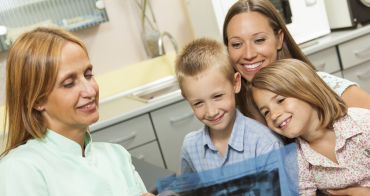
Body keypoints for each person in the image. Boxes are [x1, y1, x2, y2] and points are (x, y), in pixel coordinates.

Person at [0, 27, 152, 196]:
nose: (90, 91)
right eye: (69, 83)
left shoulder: (117, 155)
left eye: (88, 75)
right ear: (36, 100)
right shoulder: (20, 170)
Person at [223, 0, 370, 123]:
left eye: (259, 40)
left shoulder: (325, 88)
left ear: (279, 39)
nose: (248, 54)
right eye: (236, 44)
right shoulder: (232, 110)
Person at [250, 59, 370, 196]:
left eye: (280, 100)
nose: (274, 115)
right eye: (266, 112)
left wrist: (359, 192)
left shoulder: (362, 124)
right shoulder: (297, 160)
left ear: (308, 91)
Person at [175, 38, 283, 174]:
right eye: (198, 103)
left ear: (235, 83)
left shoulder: (265, 144)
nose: (211, 112)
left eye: (217, 96)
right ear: (186, 99)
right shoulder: (190, 147)